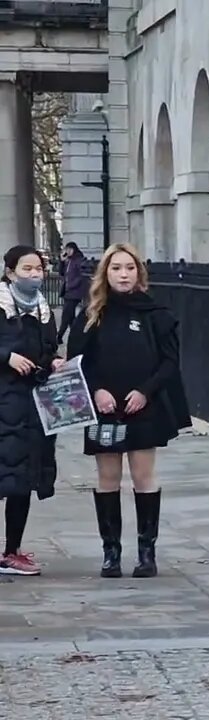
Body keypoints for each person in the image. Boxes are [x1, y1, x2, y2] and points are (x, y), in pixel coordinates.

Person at [67, 242, 192, 579]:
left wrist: (144, 392)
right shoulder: (92, 316)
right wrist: (97, 391)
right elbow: (76, 362)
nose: (123, 274)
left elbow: (169, 363)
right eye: (116, 268)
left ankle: (146, 553)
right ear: (105, 274)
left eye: (129, 268)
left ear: (139, 273)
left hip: (143, 407)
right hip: (104, 409)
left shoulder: (156, 314)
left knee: (143, 476)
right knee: (108, 478)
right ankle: (111, 553)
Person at [0, 245, 62, 576]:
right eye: (27, 269)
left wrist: (53, 361)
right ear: (10, 272)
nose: (35, 274)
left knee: (21, 478)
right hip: (4, 399)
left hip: (32, 404)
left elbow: (48, 347)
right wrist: (6, 357)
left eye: (38, 268)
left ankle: (12, 550)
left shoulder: (42, 309)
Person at [57, 241, 87, 345]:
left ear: (74, 249)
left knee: (66, 315)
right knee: (70, 317)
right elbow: (61, 273)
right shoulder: (68, 261)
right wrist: (61, 261)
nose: (68, 252)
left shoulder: (78, 260)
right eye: (66, 250)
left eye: (69, 249)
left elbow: (81, 276)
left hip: (74, 292)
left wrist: (72, 285)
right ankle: (78, 335)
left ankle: (59, 336)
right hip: (68, 292)